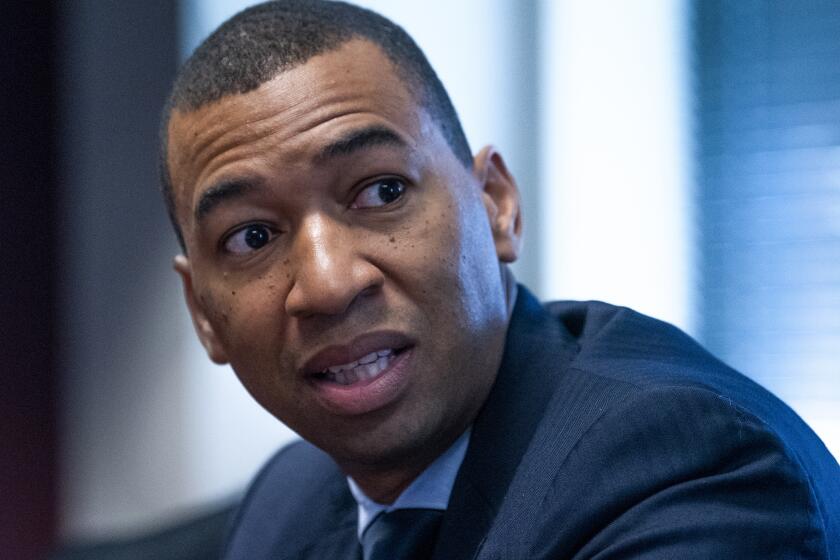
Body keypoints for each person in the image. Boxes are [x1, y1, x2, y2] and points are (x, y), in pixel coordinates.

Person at [160, 1, 840, 558]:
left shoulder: (683, 467)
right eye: (252, 237)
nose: (330, 284)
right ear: (203, 314)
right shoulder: (290, 504)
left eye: (381, 191)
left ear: (496, 205)